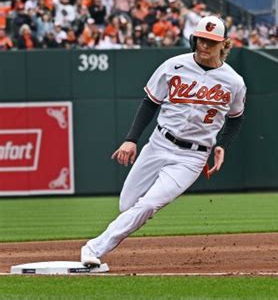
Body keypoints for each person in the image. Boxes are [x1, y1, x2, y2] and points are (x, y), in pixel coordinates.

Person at [81, 15, 247, 266]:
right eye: (200, 40)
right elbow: (150, 103)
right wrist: (131, 139)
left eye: (210, 42)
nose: (204, 46)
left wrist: (223, 144)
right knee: (127, 204)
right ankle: (114, 232)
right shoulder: (173, 66)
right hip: (159, 144)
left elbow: (236, 117)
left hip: (192, 157)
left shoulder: (234, 81)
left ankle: (93, 248)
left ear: (223, 44)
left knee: (149, 205)